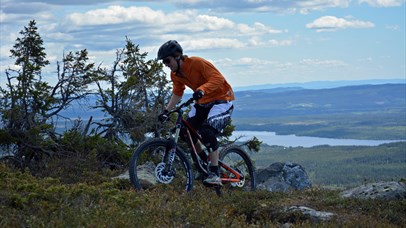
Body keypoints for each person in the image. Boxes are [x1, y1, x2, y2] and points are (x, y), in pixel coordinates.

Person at [157, 40, 235, 187]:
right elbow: (177, 93)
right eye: (163, 62)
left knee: (207, 132)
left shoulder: (197, 63)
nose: (166, 64)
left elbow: (218, 79)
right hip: (203, 103)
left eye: (167, 60)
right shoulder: (175, 75)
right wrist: (166, 110)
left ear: (178, 56)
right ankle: (204, 162)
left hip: (222, 100)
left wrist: (202, 89)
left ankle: (215, 173)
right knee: (186, 132)